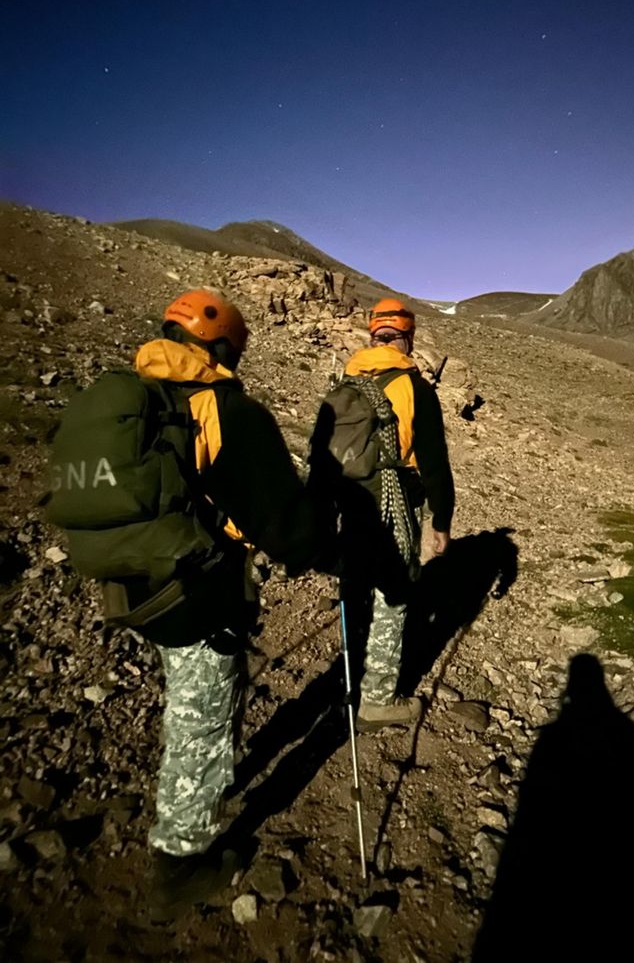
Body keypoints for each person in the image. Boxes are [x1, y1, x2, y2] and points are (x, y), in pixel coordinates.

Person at [123, 290, 325, 918]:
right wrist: (332, 552)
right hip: (200, 594)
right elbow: (286, 527)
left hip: (137, 582)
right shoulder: (231, 411)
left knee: (194, 696)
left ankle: (209, 783)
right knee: (201, 717)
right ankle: (180, 865)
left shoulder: (136, 398)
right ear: (222, 348)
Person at [310, 298, 455, 731]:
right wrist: (441, 522)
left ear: (374, 336)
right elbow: (435, 465)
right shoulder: (415, 388)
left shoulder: (346, 382)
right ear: (407, 338)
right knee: (393, 593)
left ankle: (350, 675)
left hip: (348, 503)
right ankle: (377, 699)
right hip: (394, 503)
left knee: (356, 584)